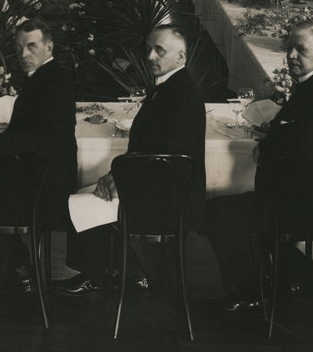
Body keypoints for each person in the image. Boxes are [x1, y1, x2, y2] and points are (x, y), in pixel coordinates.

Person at [205, 24, 313, 311]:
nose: (291, 55)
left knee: (218, 212)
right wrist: (276, 130)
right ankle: (277, 279)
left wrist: (267, 146)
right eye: (290, 47)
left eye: (301, 50)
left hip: (308, 208)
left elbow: (306, 143)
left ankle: (250, 293)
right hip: (304, 198)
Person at [58, 26, 207, 295]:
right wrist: (117, 176)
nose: (150, 56)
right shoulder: (168, 87)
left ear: (181, 56)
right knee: (84, 194)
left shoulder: (182, 94)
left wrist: (122, 179)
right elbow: (148, 148)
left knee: (82, 201)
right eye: (148, 49)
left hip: (168, 200)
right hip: (157, 187)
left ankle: (104, 274)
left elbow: (170, 158)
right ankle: (123, 272)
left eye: (159, 50)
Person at [0, 19, 77, 293]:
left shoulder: (56, 82)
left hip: (47, 185)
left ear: (49, 47)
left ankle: (19, 269)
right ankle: (18, 268)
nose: (23, 54)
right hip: (31, 175)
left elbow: (43, 137)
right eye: (18, 47)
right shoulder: (38, 79)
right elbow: (17, 137)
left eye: (32, 46)